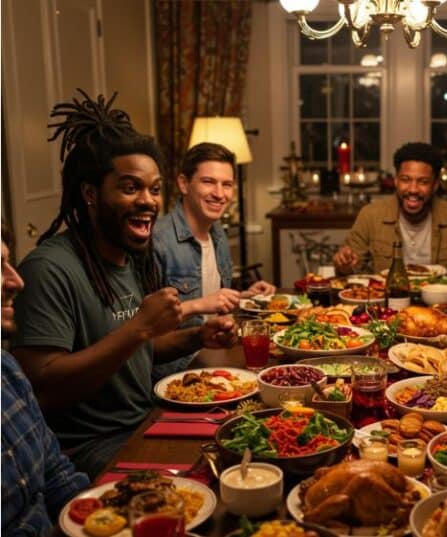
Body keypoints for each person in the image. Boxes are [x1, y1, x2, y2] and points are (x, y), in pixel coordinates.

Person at [10, 90, 238, 479]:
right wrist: (141, 326)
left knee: (246, 449)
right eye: (130, 187)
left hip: (145, 417)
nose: (148, 201)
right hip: (89, 447)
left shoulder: (131, 257)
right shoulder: (50, 268)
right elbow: (43, 387)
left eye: (154, 188)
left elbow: (137, 352)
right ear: (90, 195)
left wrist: (197, 337)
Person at [152, 142, 275, 378]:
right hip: (176, 369)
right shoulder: (158, 240)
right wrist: (203, 304)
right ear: (184, 183)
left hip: (214, 353)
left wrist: (244, 296)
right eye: (208, 182)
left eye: (227, 184)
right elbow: (144, 328)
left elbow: (213, 301)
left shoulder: (217, 233)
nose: (219, 194)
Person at [2, 224, 90, 535]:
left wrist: (103, 517)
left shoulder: (7, 368)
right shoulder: (51, 267)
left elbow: (57, 475)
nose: (16, 281)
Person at [332, 142, 447, 274]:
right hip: (387, 304)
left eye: (423, 182)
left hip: (442, 305)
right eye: (405, 180)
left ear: (435, 185)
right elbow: (351, 270)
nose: (413, 190)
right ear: (396, 180)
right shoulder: (370, 215)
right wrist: (345, 264)